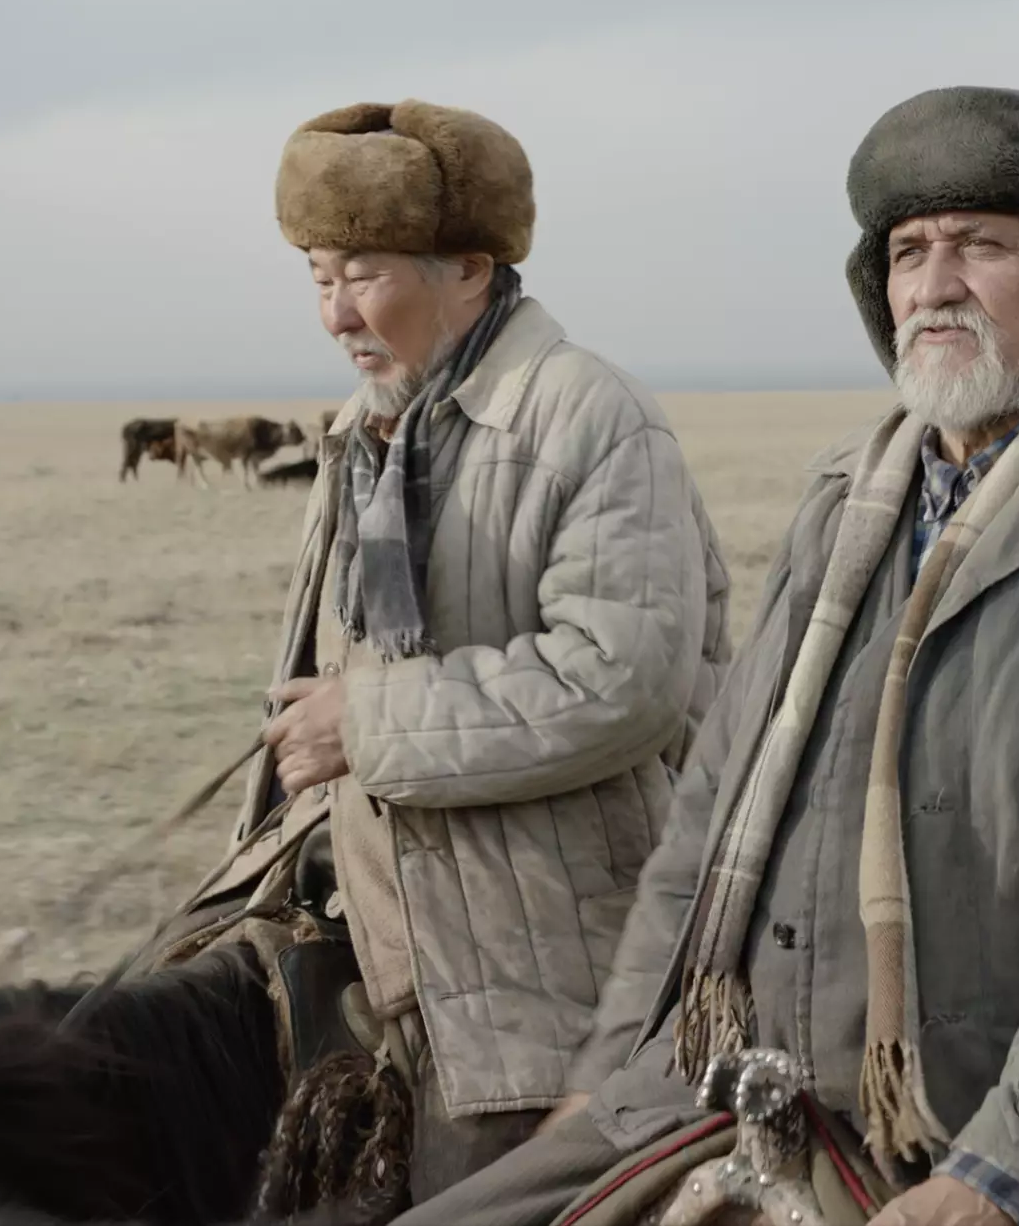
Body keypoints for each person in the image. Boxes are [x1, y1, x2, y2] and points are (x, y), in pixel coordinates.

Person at [394, 86, 1019, 1226]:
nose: (935, 285)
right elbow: (709, 819)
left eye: (982, 245)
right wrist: (611, 1067)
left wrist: (1009, 1172)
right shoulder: (847, 503)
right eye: (908, 252)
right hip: (752, 1087)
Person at [128, 99, 732, 1210]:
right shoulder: (367, 429)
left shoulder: (590, 418)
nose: (334, 313)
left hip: (539, 985)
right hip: (386, 950)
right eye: (318, 278)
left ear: (469, 268)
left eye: (362, 274)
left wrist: (363, 724)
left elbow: (622, 681)